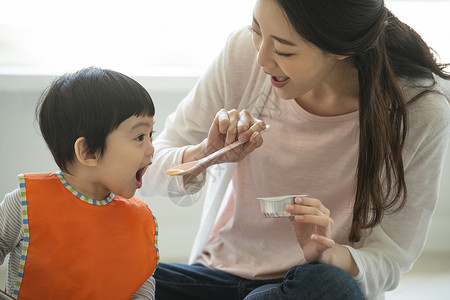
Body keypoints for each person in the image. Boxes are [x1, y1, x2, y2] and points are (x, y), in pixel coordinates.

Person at [141, 0, 450, 299]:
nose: (262, 60)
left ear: (343, 48)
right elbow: (149, 168)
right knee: (120, 274)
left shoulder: (418, 110)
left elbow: (390, 258)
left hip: (308, 285)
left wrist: (328, 254)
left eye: (284, 50)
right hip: (216, 277)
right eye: (256, 30)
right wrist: (205, 154)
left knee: (327, 285)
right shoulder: (241, 55)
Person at [0, 67, 159, 299]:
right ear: (89, 152)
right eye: (139, 137)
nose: (151, 148)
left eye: (151, 134)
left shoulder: (140, 218)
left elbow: (141, 282)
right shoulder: (24, 205)